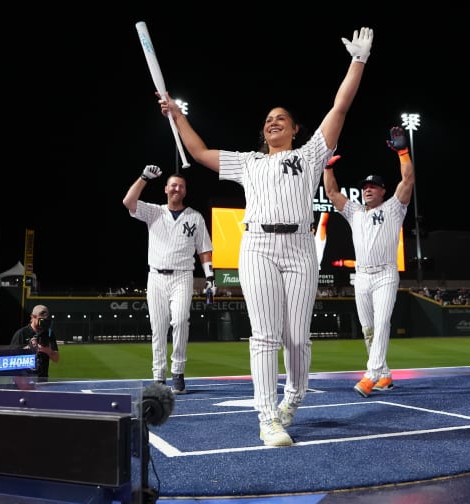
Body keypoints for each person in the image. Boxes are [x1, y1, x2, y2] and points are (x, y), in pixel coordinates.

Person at [159, 27, 373, 447]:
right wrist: (178, 116)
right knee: (265, 335)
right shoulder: (249, 163)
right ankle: (267, 417)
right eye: (268, 119)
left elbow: (341, 107)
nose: (273, 121)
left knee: (296, 336)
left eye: (281, 118)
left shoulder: (309, 155)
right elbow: (201, 154)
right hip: (256, 246)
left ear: (295, 129)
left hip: (299, 248)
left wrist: (359, 60)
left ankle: (293, 397)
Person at [322, 126, 414, 397]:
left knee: (382, 323)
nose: (367, 189)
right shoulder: (355, 212)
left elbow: (407, 181)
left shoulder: (394, 208)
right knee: (368, 329)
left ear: (383, 191)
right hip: (361, 276)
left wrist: (403, 153)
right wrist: (327, 168)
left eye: (373, 186)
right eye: (364, 187)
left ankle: (371, 375)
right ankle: (385, 374)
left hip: (386, 274)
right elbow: (331, 193)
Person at [123, 165, 213, 394]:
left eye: (181, 186)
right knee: (158, 328)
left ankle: (178, 372)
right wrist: (143, 178)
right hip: (156, 277)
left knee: (181, 321)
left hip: (183, 276)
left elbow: (204, 250)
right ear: (165, 189)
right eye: (173, 185)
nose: (177, 188)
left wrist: (210, 276)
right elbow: (128, 202)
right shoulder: (154, 212)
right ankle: (159, 377)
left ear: (185, 191)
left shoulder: (195, 217)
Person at [10, 304, 60, 381]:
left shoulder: (49, 333)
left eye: (45, 320)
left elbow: (56, 359)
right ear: (33, 317)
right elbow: (11, 359)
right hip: (24, 381)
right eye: (41, 320)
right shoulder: (21, 333)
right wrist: (29, 349)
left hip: (42, 380)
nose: (43, 323)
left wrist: (47, 350)